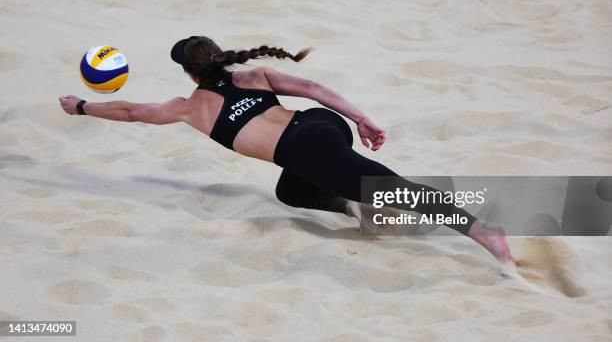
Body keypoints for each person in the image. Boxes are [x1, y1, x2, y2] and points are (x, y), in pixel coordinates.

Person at [59, 36, 513, 262]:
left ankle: (482, 231)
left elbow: (132, 111)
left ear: (187, 73)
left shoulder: (188, 107)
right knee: (291, 194)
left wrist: (82, 106)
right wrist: (360, 117)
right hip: (319, 125)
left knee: (395, 189)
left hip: (305, 149)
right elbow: (312, 88)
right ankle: (359, 209)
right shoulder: (251, 75)